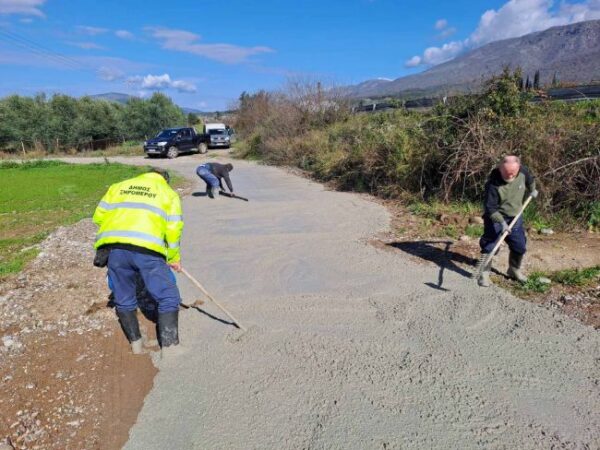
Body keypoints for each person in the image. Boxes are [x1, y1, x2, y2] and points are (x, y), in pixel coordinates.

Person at [93, 167, 184, 357]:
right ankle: (170, 348)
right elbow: (173, 229)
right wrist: (173, 258)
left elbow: (98, 217)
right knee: (168, 296)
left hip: (115, 249)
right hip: (147, 250)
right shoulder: (168, 193)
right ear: (164, 179)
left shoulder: (118, 187)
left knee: (124, 297)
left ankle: (136, 344)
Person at [478, 155, 538, 287]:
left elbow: (530, 180)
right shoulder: (492, 184)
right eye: (506, 173)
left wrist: (533, 190)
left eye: (513, 173)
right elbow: (490, 208)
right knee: (490, 245)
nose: (510, 176)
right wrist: (502, 223)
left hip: (515, 216)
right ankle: (484, 273)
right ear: (500, 168)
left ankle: (513, 270)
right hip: (496, 217)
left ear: (518, 168)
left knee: (519, 246)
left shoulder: (523, 171)